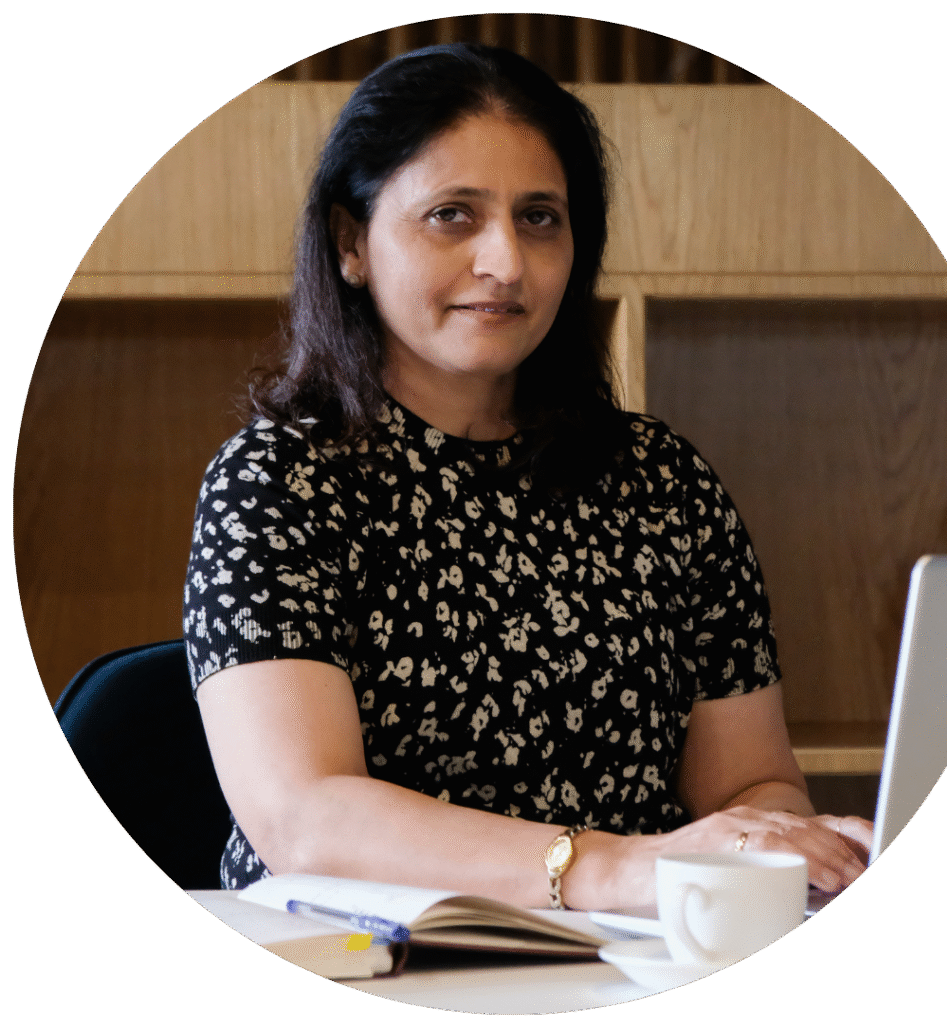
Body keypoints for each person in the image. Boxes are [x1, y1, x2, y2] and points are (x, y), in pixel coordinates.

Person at [183, 42, 872, 908]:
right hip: (364, 955)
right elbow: (306, 821)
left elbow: (750, 786)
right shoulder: (277, 481)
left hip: (636, 957)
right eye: (452, 215)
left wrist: (777, 846)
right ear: (351, 242)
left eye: (540, 217)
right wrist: (615, 868)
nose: (506, 262)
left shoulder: (664, 481)